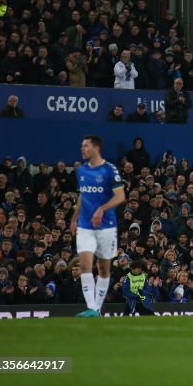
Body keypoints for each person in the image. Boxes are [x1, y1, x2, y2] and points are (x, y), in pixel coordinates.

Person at [70, 135, 126, 317]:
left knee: (103, 268)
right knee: (85, 265)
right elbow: (82, 196)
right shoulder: (81, 171)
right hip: (86, 226)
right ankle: (92, 308)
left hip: (106, 226)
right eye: (81, 145)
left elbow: (120, 196)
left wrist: (101, 209)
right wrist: (74, 218)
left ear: (96, 148)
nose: (82, 149)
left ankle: (97, 309)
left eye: (85, 146)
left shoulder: (110, 170)